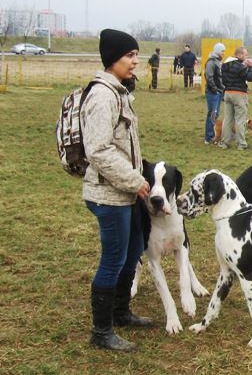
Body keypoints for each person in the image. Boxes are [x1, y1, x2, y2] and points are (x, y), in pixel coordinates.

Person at [80, 29, 153, 352]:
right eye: (130, 56)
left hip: (126, 192)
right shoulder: (102, 96)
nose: (136, 62)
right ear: (113, 59)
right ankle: (101, 330)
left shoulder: (119, 92)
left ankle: (121, 312)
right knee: (113, 258)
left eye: (137, 55)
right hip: (109, 195)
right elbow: (98, 149)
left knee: (133, 249)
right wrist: (135, 180)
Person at [219, 46, 252, 150]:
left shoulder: (225, 65)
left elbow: (223, 80)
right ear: (239, 55)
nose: (246, 56)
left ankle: (224, 143)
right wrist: (250, 66)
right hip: (239, 94)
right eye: (245, 54)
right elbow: (250, 78)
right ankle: (241, 144)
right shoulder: (240, 66)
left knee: (227, 119)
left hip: (227, 93)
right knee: (240, 120)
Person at [203, 42, 225, 145]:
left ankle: (213, 135)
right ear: (217, 51)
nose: (223, 53)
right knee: (212, 114)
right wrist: (215, 89)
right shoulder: (211, 62)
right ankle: (209, 137)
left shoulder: (218, 62)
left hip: (218, 92)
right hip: (213, 93)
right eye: (222, 51)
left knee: (215, 114)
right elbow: (209, 77)